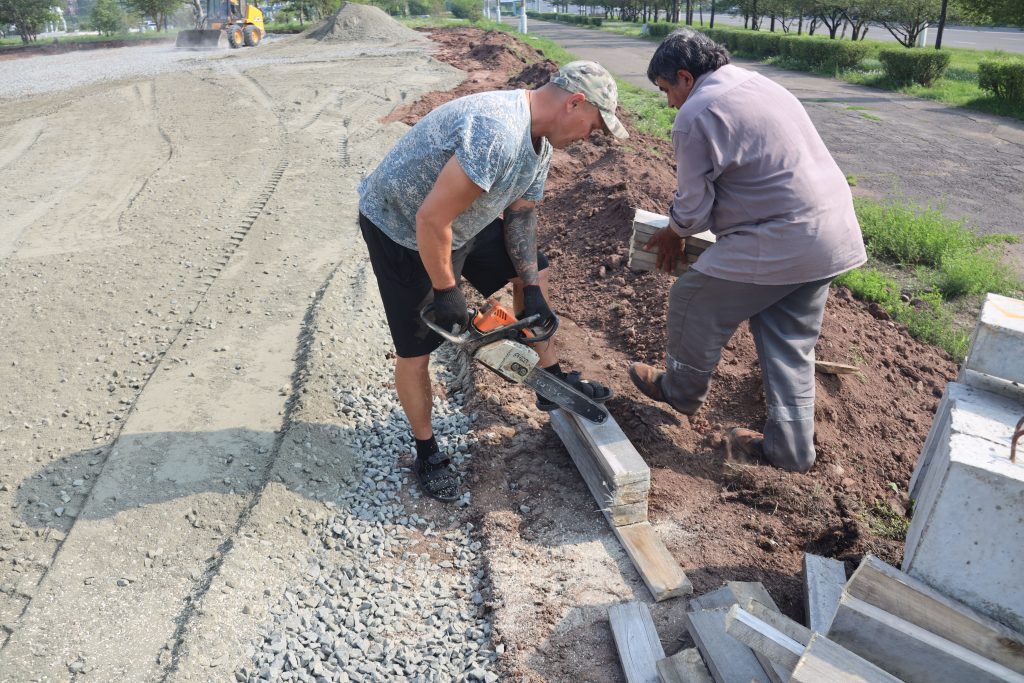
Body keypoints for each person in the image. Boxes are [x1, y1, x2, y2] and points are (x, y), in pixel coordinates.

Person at [358, 61, 628, 500]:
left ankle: (550, 380)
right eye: (594, 126)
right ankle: (427, 450)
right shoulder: (499, 132)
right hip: (403, 228)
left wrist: (534, 293)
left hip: (458, 219)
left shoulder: (540, 145)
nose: (590, 136)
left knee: (534, 267)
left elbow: (520, 214)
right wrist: (447, 292)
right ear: (575, 103)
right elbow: (430, 219)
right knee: (417, 348)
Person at [629, 29, 866, 473]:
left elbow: (694, 210)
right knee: (787, 343)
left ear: (685, 77)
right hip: (832, 234)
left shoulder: (696, 113)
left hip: (781, 238)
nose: (669, 104)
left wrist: (673, 231)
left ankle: (679, 392)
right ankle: (791, 452)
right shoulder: (759, 83)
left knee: (692, 297)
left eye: (666, 91)